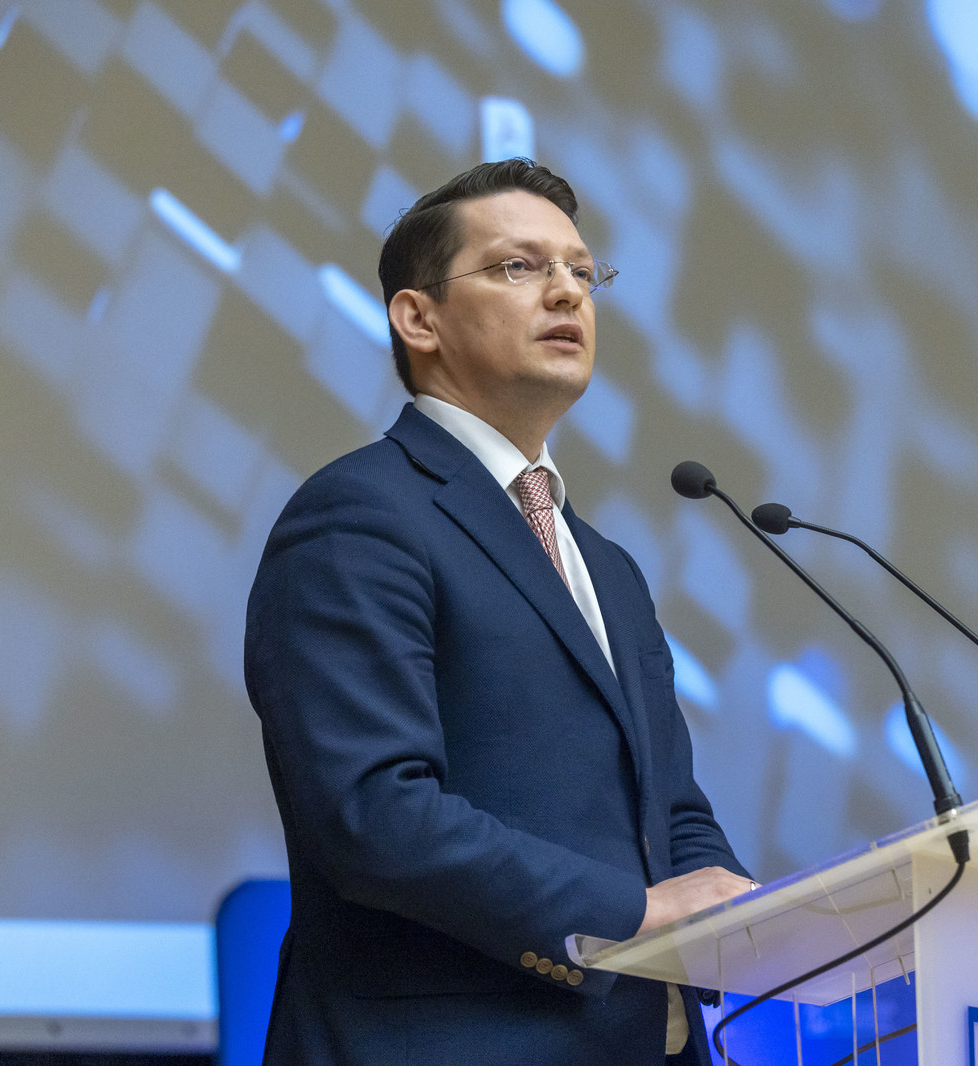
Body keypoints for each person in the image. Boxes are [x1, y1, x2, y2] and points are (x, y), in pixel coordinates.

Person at [244, 158, 752, 1065]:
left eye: (582, 271)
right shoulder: (358, 516)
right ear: (418, 318)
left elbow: (669, 808)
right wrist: (631, 914)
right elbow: (374, 813)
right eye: (520, 267)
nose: (567, 291)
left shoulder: (607, 566)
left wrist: (752, 913)